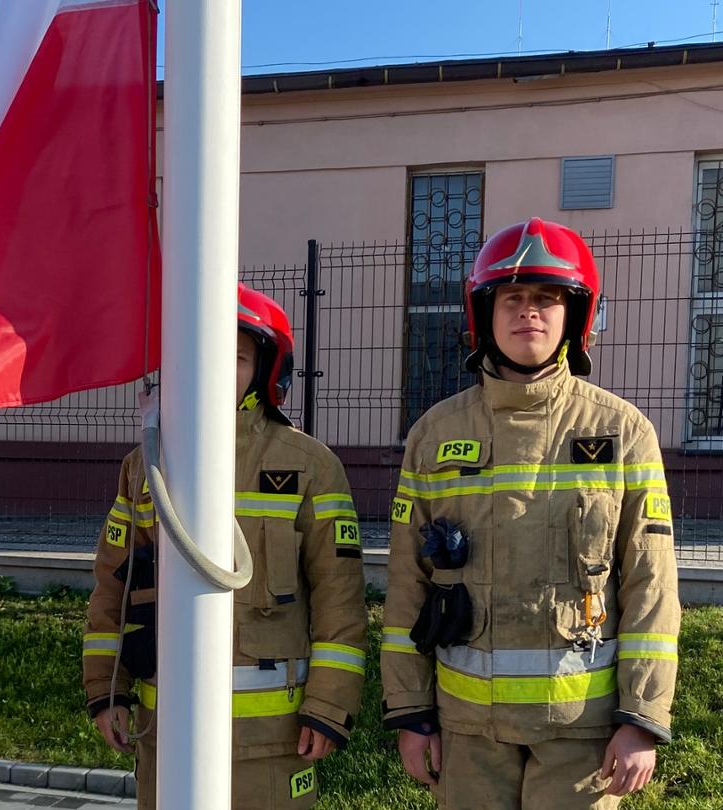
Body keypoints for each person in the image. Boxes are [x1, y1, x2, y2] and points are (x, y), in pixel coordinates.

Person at [380, 218, 680, 809]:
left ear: (575, 316)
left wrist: (641, 717)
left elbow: (651, 583)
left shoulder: (621, 431)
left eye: (547, 299)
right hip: (468, 732)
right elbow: (405, 585)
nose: (529, 313)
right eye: (512, 298)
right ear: (484, 315)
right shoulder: (434, 436)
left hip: (582, 736)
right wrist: (412, 713)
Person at [82, 285, 368, 809]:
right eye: (200, 358)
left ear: (263, 371)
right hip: (167, 725)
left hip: (274, 737)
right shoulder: (143, 466)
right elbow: (112, 589)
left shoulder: (311, 466)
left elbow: (339, 599)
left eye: (235, 358)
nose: (215, 372)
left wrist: (328, 705)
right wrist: (107, 691)